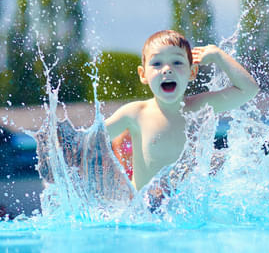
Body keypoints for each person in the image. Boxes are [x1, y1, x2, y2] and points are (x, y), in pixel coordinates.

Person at [104, 30, 260, 191]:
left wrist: (218, 56)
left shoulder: (199, 107)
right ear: (143, 74)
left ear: (192, 72)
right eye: (157, 63)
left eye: (177, 63)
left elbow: (249, 89)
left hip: (183, 209)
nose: (167, 69)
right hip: (145, 210)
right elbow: (91, 138)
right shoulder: (135, 113)